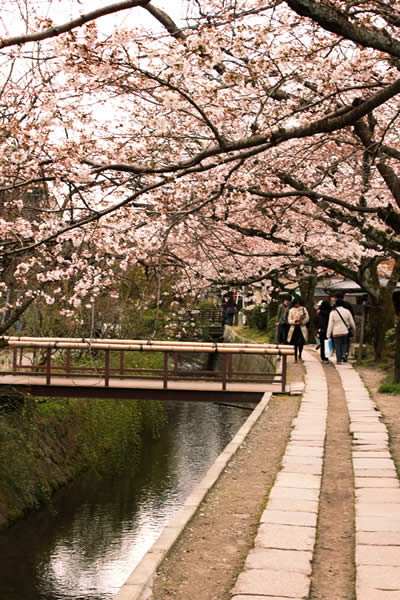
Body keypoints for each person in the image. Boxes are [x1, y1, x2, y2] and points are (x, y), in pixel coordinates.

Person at [327, 297, 356, 364]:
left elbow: (330, 324)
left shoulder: (333, 312)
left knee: (337, 346)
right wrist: (354, 329)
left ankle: (339, 360)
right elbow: (351, 322)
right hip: (345, 331)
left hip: (336, 332)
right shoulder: (347, 311)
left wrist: (328, 334)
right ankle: (344, 353)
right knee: (345, 343)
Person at [288, 298, 309, 363]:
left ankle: (300, 355)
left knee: (301, 342)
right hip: (294, 329)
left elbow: (307, 317)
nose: (297, 305)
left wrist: (302, 322)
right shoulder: (291, 310)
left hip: (302, 328)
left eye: (298, 303)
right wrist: (295, 321)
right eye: (295, 303)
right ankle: (295, 357)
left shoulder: (303, 309)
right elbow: (289, 320)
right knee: (295, 344)